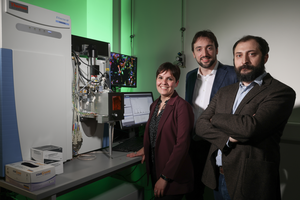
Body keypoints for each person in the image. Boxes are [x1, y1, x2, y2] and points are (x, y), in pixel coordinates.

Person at [196, 35, 296, 200]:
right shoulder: (224, 92)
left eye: (252, 54)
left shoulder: (280, 92)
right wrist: (228, 138)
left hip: (251, 180)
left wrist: (215, 118)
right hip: (217, 175)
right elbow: (200, 125)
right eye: (239, 55)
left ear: (265, 57)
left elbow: (250, 128)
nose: (245, 60)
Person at [127, 62, 194, 199]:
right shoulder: (154, 105)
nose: (164, 82)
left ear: (176, 82)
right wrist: (146, 148)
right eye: (160, 77)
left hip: (172, 175)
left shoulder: (182, 107)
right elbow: (155, 132)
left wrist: (165, 177)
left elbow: (182, 145)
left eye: (169, 78)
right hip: (156, 168)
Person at [185, 30, 238, 200]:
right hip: (195, 142)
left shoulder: (232, 73)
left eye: (209, 48)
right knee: (193, 191)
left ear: (216, 49)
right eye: (199, 49)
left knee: (221, 192)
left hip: (219, 143)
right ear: (193, 53)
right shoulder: (190, 76)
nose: (204, 53)